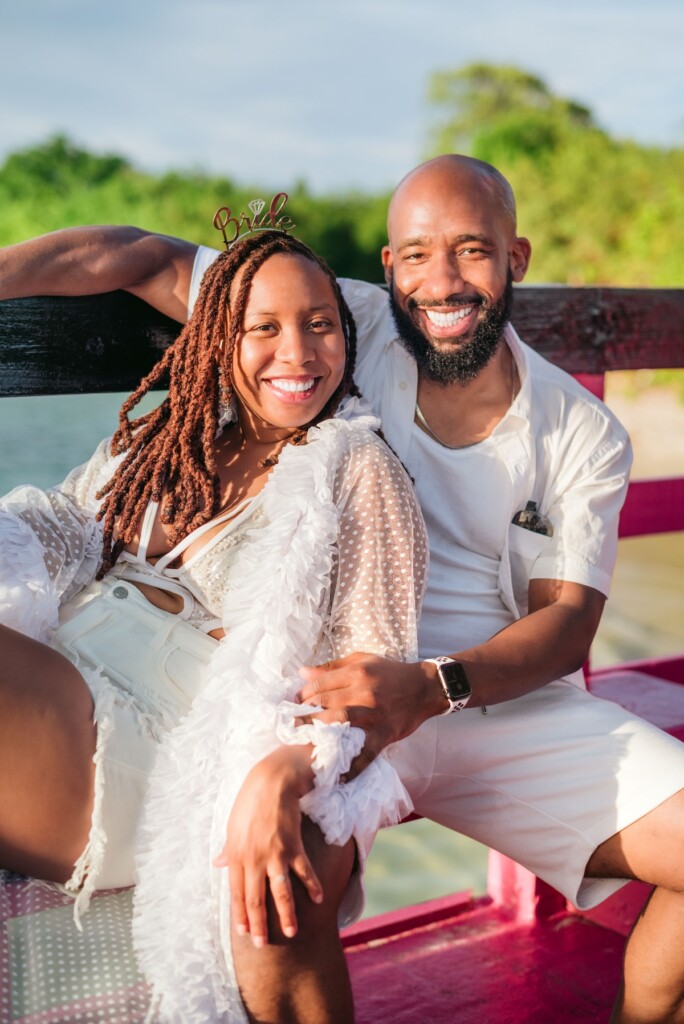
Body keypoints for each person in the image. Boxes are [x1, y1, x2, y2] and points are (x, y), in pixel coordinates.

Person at [2, 154, 684, 1023]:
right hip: (328, 689)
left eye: (471, 251)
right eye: (415, 255)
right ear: (389, 267)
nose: (441, 281)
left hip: (480, 696)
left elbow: (566, 626)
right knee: (276, 903)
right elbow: (137, 253)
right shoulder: (347, 319)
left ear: (516, 256)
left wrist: (434, 686)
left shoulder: (578, 428)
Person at [0, 223, 428, 1023]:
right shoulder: (178, 436)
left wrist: (283, 774)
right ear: (217, 341)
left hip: (148, 749)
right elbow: (58, 523)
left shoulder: (357, 468)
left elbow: (371, 682)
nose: (297, 353)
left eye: (319, 325)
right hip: (71, 678)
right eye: (263, 327)